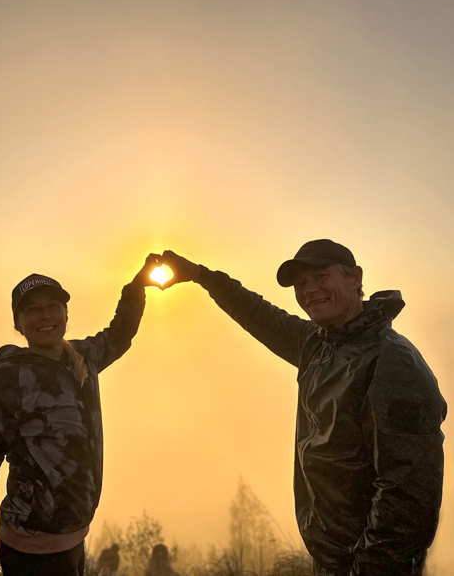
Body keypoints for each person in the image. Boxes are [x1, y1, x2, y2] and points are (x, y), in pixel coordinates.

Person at [161, 240, 447, 576]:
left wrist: (368, 568)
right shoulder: (316, 345)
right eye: (301, 284)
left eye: (320, 277)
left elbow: (409, 495)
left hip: (374, 565)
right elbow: (257, 313)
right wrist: (199, 275)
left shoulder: (394, 362)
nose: (309, 290)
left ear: (355, 278)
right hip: (332, 561)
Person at [0, 255, 162, 576]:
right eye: (32, 309)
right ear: (18, 324)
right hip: (30, 546)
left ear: (66, 314)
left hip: (73, 538)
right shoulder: (6, 379)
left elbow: (120, 333)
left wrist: (136, 287)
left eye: (53, 306)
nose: (45, 316)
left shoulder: (82, 357)